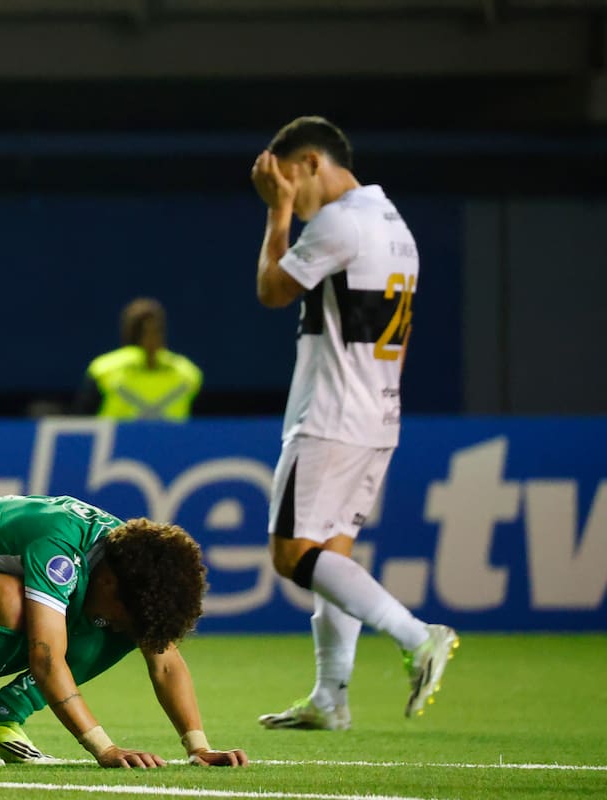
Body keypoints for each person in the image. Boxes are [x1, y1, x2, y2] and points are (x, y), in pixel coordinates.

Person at [248, 116, 458, 731]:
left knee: (291, 555)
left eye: (289, 179)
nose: (288, 193)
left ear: (312, 163)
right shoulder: (393, 224)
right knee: (332, 555)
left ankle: (417, 636)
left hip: (330, 415)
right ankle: (330, 696)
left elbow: (272, 291)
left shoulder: (338, 222)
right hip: (376, 413)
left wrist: (276, 214)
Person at [0, 494, 248, 769]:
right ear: (110, 584)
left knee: (126, 625)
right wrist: (104, 748)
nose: (125, 631)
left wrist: (198, 747)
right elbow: (46, 658)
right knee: (8, 597)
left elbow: (164, 662)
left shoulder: (126, 561)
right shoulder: (58, 547)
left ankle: (3, 718)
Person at [73, 298, 202, 420]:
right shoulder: (103, 371)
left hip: (171, 437)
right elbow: (84, 420)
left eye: (156, 331)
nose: (151, 339)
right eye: (144, 333)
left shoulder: (188, 374)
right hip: (116, 436)